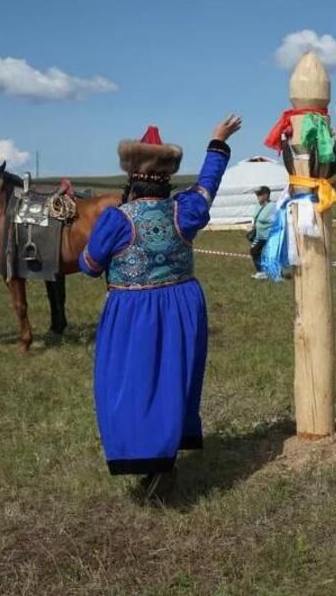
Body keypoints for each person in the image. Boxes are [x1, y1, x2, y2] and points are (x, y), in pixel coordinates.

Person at [78, 115, 241, 502]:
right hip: (181, 304)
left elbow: (88, 265)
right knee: (172, 379)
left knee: (129, 383)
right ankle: (162, 459)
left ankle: (149, 462)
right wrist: (217, 143)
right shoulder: (184, 211)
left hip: (132, 310)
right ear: (168, 176)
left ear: (131, 175)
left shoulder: (116, 219)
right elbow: (208, 186)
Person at [248, 185, 277, 279]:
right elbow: (256, 217)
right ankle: (263, 271)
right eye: (257, 194)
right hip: (258, 235)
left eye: (260, 194)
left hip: (268, 235)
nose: (258, 196)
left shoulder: (272, 206)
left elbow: (276, 220)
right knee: (254, 252)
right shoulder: (257, 205)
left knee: (256, 251)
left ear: (266, 195)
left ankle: (264, 272)